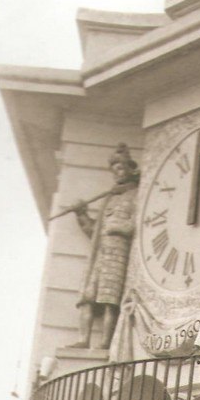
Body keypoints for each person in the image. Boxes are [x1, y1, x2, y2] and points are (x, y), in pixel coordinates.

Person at [69, 144, 139, 349]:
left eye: (122, 167)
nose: (118, 171)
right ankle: (83, 339)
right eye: (114, 168)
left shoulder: (136, 195)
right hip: (100, 254)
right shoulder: (108, 199)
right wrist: (81, 213)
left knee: (110, 299)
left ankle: (105, 342)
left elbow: (137, 224)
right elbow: (94, 232)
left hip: (119, 253)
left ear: (131, 169)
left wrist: (117, 227)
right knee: (88, 297)